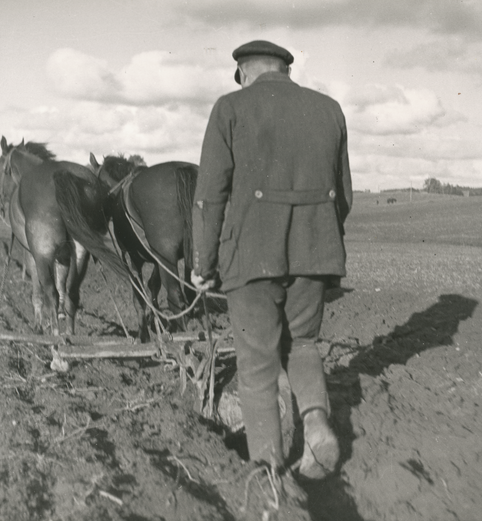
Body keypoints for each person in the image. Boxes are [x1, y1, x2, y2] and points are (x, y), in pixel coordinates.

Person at [191, 40, 352, 481]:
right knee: (303, 344)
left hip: (251, 258)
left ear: (244, 72)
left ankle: (267, 468)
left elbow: (209, 196)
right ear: (284, 69)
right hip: (315, 253)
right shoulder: (329, 109)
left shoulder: (230, 107)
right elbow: (346, 196)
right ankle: (316, 421)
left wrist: (204, 266)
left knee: (257, 361)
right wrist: (317, 243)